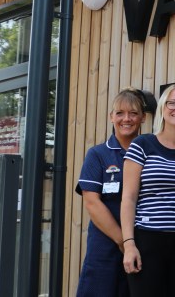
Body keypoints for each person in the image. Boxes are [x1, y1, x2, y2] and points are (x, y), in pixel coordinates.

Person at [120, 83, 175, 296]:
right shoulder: (142, 144)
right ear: (162, 108)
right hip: (148, 241)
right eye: (172, 103)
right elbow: (129, 198)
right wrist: (129, 244)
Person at [75, 88, 147, 297]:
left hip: (143, 242)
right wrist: (123, 240)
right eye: (120, 113)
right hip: (105, 244)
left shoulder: (150, 151)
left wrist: (131, 243)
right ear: (111, 117)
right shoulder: (98, 154)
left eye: (133, 113)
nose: (127, 119)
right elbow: (92, 203)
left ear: (142, 118)